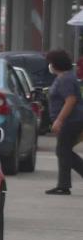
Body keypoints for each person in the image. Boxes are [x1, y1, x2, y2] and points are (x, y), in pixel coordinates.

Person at [46, 48, 83, 195]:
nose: (49, 65)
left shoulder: (65, 79)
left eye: (50, 62)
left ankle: (63, 185)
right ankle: (63, 184)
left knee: (63, 150)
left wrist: (59, 120)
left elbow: (71, 100)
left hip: (71, 120)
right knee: (64, 151)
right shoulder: (65, 77)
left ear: (56, 64)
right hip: (71, 120)